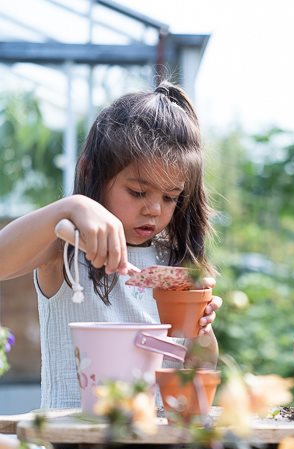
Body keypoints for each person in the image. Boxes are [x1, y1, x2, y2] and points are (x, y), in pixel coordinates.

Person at [0, 80, 222, 409]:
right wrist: (70, 206)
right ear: (91, 173)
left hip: (153, 444)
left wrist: (201, 327)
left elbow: (198, 367)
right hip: (74, 444)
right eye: (137, 192)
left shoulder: (172, 261)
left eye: (170, 197)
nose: (154, 209)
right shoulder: (67, 245)